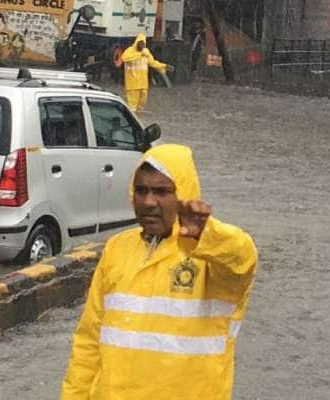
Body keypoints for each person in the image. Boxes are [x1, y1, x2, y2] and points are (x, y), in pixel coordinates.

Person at [61, 144, 258, 400]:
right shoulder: (117, 249)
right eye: (141, 190)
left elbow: (243, 258)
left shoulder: (210, 257)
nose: (148, 202)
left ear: (184, 196)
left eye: (162, 192)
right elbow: (89, 340)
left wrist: (206, 233)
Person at [120, 33, 173, 113]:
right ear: (136, 43)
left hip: (143, 83)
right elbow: (124, 58)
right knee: (132, 107)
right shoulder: (129, 51)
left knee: (142, 104)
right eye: (140, 44)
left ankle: (139, 120)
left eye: (143, 44)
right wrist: (140, 54)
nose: (141, 46)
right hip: (132, 85)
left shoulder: (146, 52)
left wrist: (164, 66)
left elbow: (152, 63)